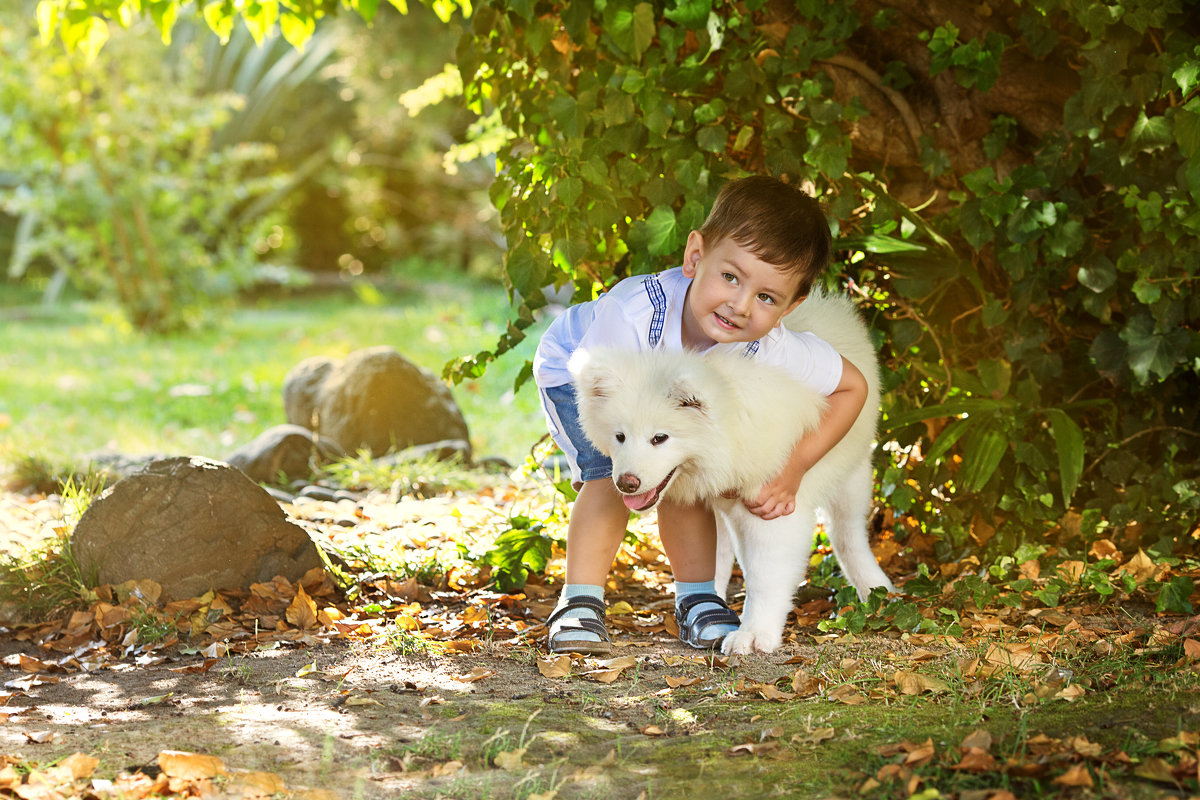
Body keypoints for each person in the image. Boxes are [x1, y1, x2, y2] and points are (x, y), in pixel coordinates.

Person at [532, 175, 868, 654]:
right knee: (609, 476)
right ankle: (580, 601)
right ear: (694, 257)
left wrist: (792, 469)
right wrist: (633, 456)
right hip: (589, 377)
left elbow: (852, 387)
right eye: (730, 276)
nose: (739, 304)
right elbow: (596, 379)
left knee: (683, 475)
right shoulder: (630, 317)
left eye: (766, 297)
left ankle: (698, 598)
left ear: (792, 306)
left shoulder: (773, 345)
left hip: (661, 407)